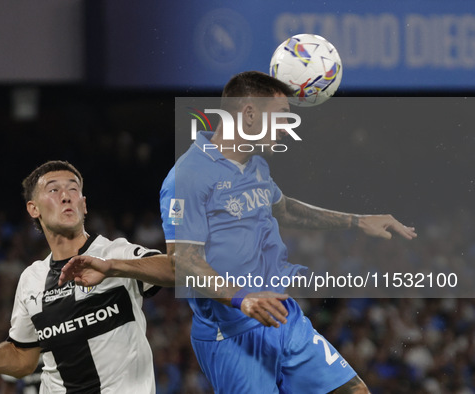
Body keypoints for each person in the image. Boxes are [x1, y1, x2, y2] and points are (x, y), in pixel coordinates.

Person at [157, 71, 417, 393]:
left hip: (283, 315)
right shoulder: (188, 176)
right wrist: (243, 299)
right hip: (232, 332)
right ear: (249, 113)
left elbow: (284, 208)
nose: (287, 128)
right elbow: (182, 259)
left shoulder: (256, 166)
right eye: (282, 118)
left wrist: (357, 221)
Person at [0, 160, 174, 393]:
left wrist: (112, 267)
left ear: (84, 204)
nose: (66, 196)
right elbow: (22, 359)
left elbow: (178, 270)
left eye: (73, 189)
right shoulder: (31, 279)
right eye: (54, 190)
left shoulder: (115, 253)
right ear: (33, 208)